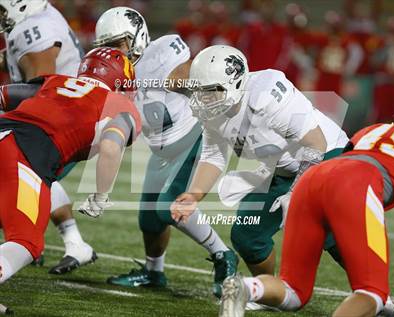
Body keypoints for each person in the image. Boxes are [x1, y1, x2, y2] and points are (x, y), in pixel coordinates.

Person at [218, 92, 394, 317]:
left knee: (294, 292)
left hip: (313, 176)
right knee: (372, 292)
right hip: (358, 184)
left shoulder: (374, 130)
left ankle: (247, 287)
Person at [170, 45, 349, 287]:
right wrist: (193, 195)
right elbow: (213, 155)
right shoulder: (213, 109)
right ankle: (268, 290)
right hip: (282, 167)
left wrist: (295, 193)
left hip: (328, 155)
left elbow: (315, 143)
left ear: (234, 84)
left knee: (325, 228)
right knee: (247, 235)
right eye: (200, 90)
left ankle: (375, 293)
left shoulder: (266, 94)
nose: (204, 97)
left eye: (211, 91)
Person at [94, 7, 237, 297]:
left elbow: (190, 73)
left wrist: (189, 83)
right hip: (161, 149)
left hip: (192, 137)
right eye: (107, 47)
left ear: (137, 37)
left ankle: (224, 256)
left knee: (168, 207)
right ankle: (154, 272)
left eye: (118, 44)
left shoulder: (162, 52)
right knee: (149, 219)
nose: (113, 52)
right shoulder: (113, 70)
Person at [0, 47, 141, 310]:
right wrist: (100, 196)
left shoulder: (56, 81)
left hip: (5, 132)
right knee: (26, 241)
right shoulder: (120, 104)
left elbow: (4, 95)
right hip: (24, 154)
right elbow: (111, 147)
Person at [0, 0, 94, 273]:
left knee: (19, 177)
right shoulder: (38, 18)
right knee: (36, 179)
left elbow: (40, 96)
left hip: (54, 128)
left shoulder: (34, 30)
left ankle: (23, 244)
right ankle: (74, 243)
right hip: (59, 124)